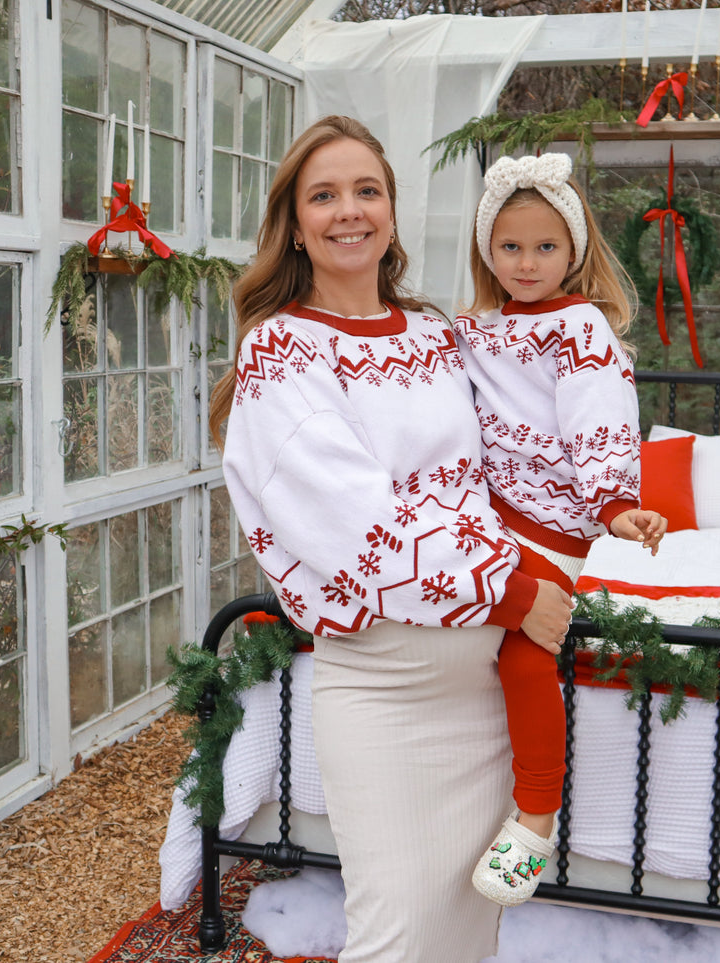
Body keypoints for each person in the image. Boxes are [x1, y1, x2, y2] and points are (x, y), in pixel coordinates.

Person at [208, 116, 575, 962]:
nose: (349, 211)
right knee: (399, 935)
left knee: (463, 932)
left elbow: (504, 463)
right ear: (294, 225)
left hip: (484, 691)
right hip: (385, 694)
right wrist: (518, 592)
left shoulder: (436, 335)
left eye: (366, 190)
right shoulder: (280, 351)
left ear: (393, 212)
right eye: (323, 195)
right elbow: (356, 524)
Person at [456, 152, 665, 907]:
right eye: (509, 246)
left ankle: (537, 815)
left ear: (573, 250)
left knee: (521, 656)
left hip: (551, 527)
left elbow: (599, 425)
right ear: (488, 251)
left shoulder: (581, 330)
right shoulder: (479, 328)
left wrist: (615, 506)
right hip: (483, 518)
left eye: (544, 246)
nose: (526, 261)